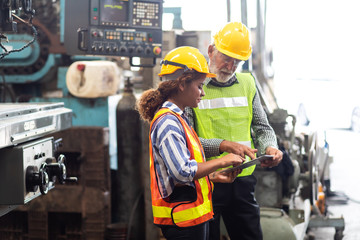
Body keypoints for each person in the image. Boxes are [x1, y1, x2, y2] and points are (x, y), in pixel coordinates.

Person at [186, 22, 284, 240]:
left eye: (237, 61)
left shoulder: (248, 83)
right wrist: (223, 145)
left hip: (242, 180)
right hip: (208, 181)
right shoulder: (194, 87)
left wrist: (270, 146)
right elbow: (187, 141)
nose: (230, 66)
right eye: (226, 58)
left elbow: (262, 126)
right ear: (211, 51)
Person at [136, 46, 245, 240]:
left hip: (191, 219)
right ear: (182, 84)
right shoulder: (168, 122)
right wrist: (223, 160)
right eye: (200, 85)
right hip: (182, 223)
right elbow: (182, 172)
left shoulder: (179, 118)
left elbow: (182, 170)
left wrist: (212, 175)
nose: (203, 93)